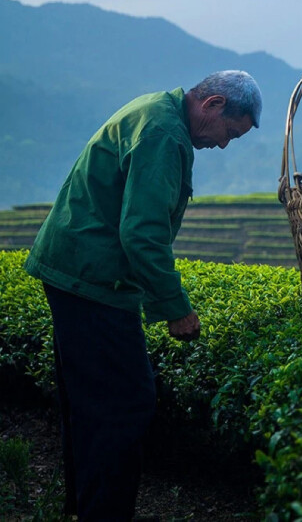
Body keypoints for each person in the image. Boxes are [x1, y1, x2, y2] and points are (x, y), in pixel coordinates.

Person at [23, 70, 263, 520]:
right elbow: (143, 234)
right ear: (212, 105)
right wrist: (175, 308)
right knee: (127, 403)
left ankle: (88, 507)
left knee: (90, 400)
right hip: (91, 278)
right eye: (230, 131)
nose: (224, 144)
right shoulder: (163, 132)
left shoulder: (158, 109)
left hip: (74, 265)